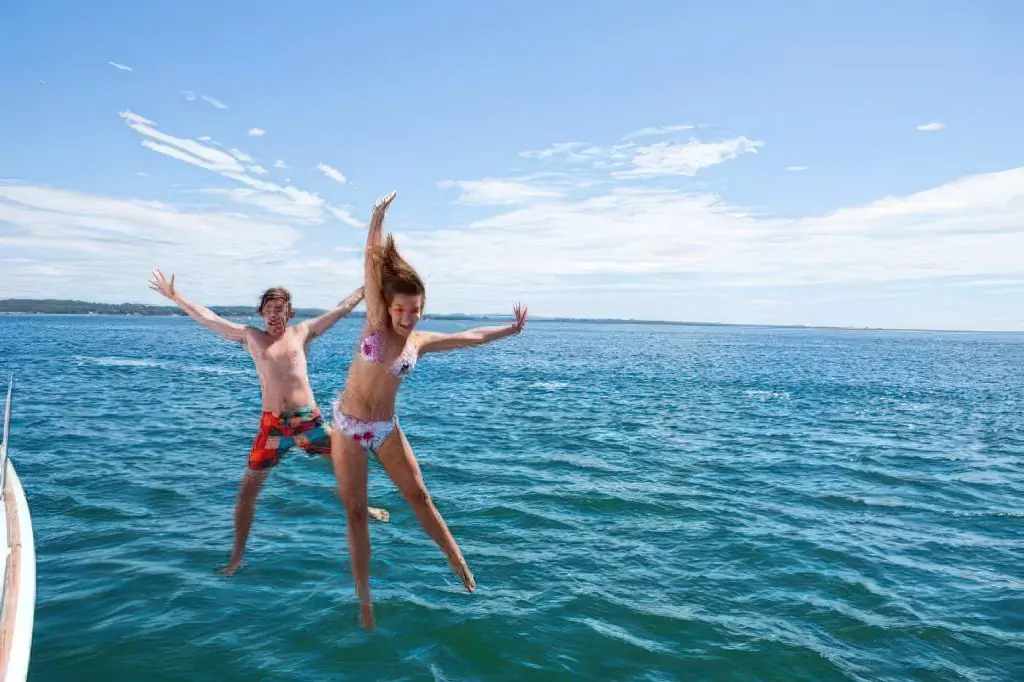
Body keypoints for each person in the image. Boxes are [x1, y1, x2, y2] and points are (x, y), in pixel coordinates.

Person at [329, 191, 528, 630]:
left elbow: (471, 336)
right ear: (388, 305)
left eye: (415, 310)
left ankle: (459, 563)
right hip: (347, 426)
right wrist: (376, 217)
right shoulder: (377, 322)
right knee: (357, 513)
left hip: (384, 428)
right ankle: (365, 602)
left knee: (419, 496)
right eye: (401, 308)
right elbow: (370, 261)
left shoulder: (418, 341)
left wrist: (509, 330)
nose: (407, 317)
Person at [147, 270, 389, 577]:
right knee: (247, 493)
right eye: (269, 309)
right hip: (272, 427)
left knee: (346, 465)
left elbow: (341, 309)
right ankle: (237, 557)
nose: (275, 314)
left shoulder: (301, 333)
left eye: (281, 309)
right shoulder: (251, 337)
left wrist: (365, 288)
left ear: (290, 312)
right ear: (261, 313)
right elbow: (208, 318)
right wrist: (175, 297)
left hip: (308, 421)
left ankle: (365, 509)